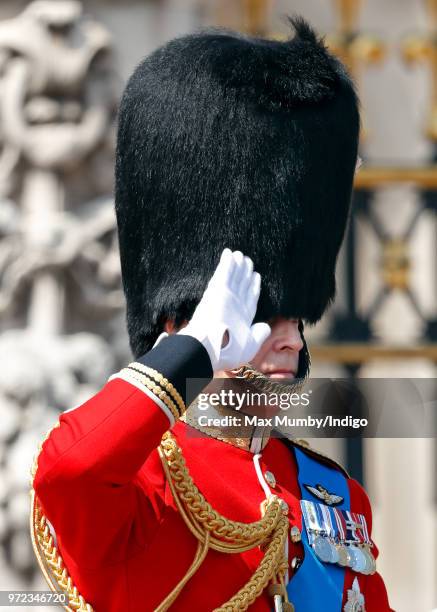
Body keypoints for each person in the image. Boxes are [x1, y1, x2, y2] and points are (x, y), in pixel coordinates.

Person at [31, 18, 394, 612]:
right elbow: (69, 471)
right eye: (265, 313)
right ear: (185, 316)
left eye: (294, 315)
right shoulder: (142, 485)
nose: (289, 340)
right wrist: (193, 349)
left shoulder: (332, 498)